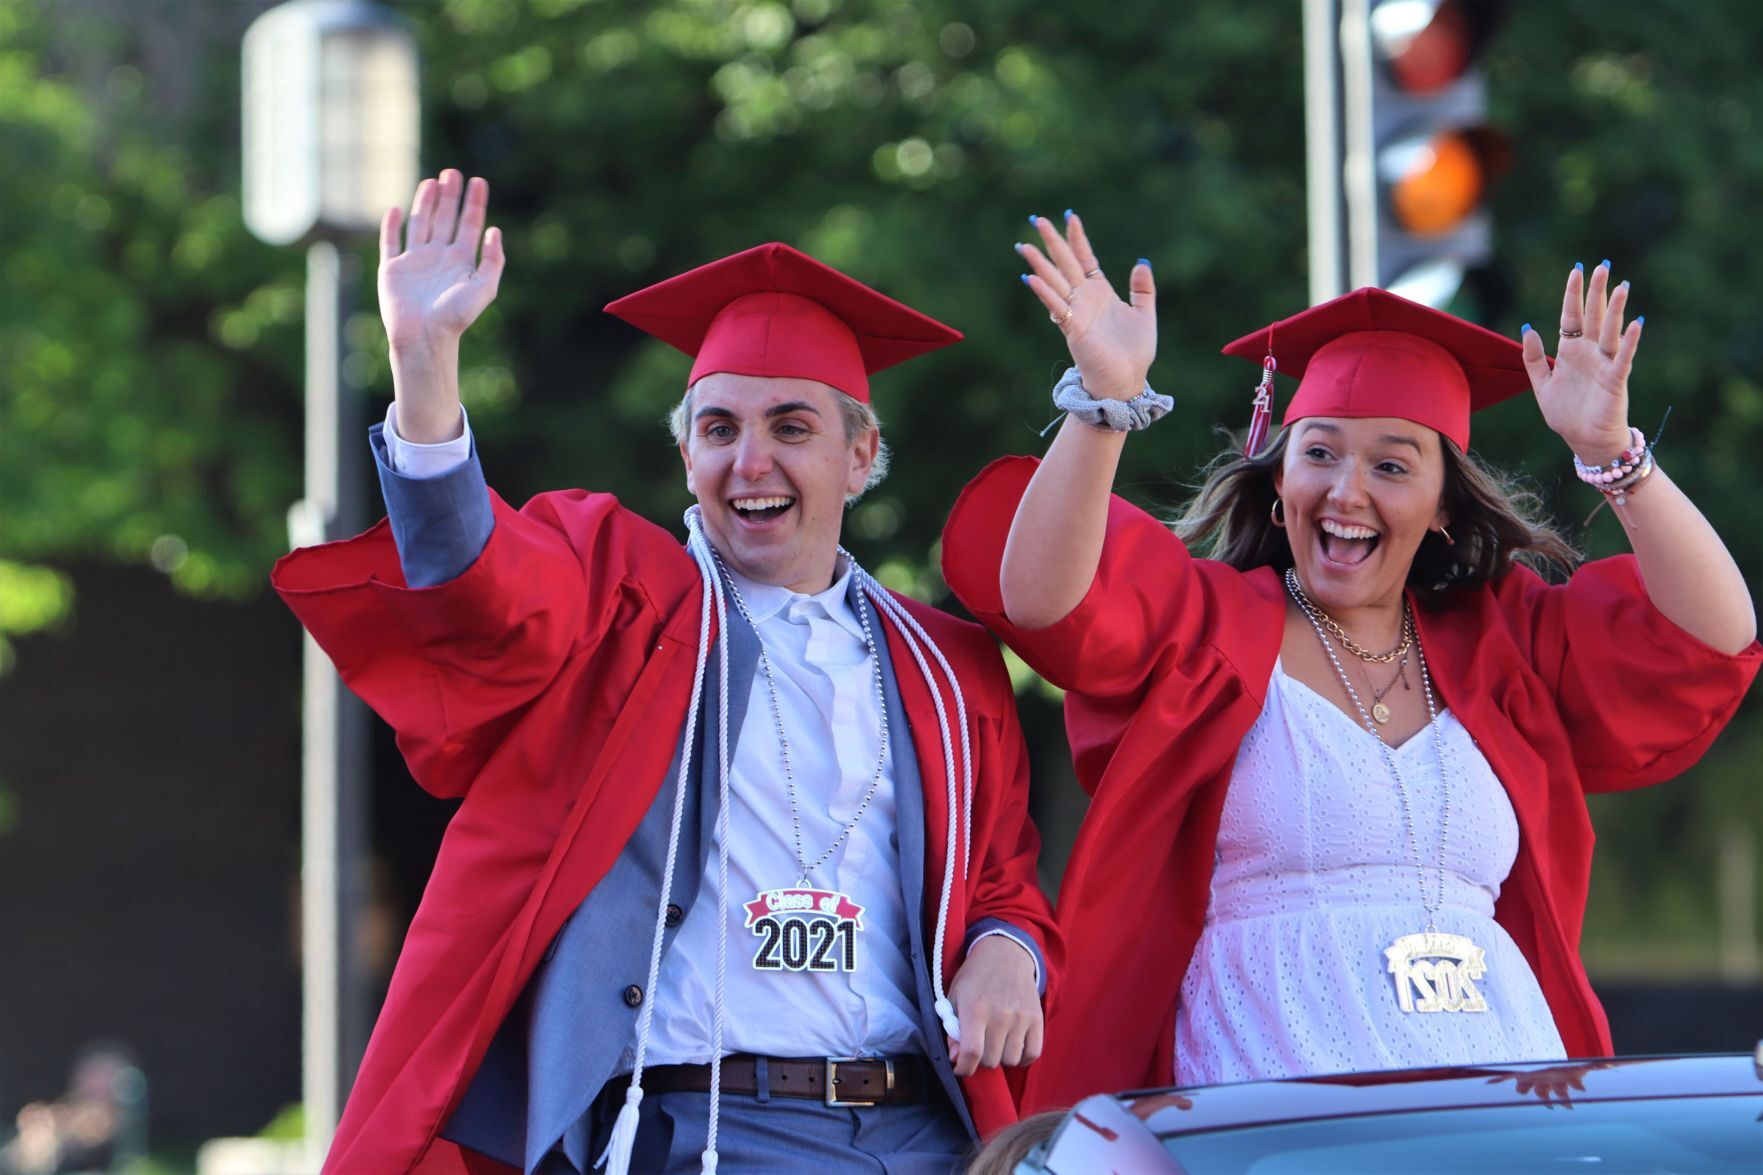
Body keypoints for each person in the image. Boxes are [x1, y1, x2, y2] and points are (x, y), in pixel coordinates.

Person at [273, 170, 1058, 1174]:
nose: (750, 462)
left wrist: (1010, 948)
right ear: (686, 453)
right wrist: (424, 371)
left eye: (791, 427)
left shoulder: (944, 670)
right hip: (710, 1130)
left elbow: (1001, 881)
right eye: (719, 428)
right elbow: (486, 593)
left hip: (927, 1132)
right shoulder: (626, 598)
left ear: (860, 458)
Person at [938, 211, 1759, 1113]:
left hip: (1500, 1083)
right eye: (1318, 453)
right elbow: (1045, 596)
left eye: (1392, 465)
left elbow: (1709, 639)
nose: (1345, 490)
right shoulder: (1209, 627)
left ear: (1444, 504)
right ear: (1280, 476)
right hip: (1274, 1089)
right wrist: (1103, 404)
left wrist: (1611, 454)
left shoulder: (1503, 645)